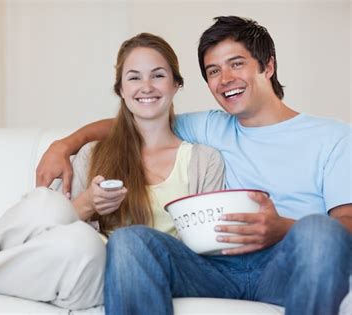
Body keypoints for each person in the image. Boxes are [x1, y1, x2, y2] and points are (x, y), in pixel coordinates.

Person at [0, 33, 225, 310]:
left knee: (87, 245)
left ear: (176, 84)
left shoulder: (204, 160)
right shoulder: (94, 153)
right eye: (133, 77)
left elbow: (200, 251)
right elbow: (53, 231)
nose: (146, 86)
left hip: (118, 279)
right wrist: (89, 203)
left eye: (158, 75)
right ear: (121, 90)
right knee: (47, 207)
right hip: (76, 261)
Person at [35, 16, 351, 315]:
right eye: (213, 71)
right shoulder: (212, 126)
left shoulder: (333, 136)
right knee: (130, 241)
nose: (225, 79)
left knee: (318, 230)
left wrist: (282, 229)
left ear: (267, 65)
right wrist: (63, 145)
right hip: (213, 267)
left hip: (287, 263)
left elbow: (346, 225)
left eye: (236, 64)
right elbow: (139, 117)